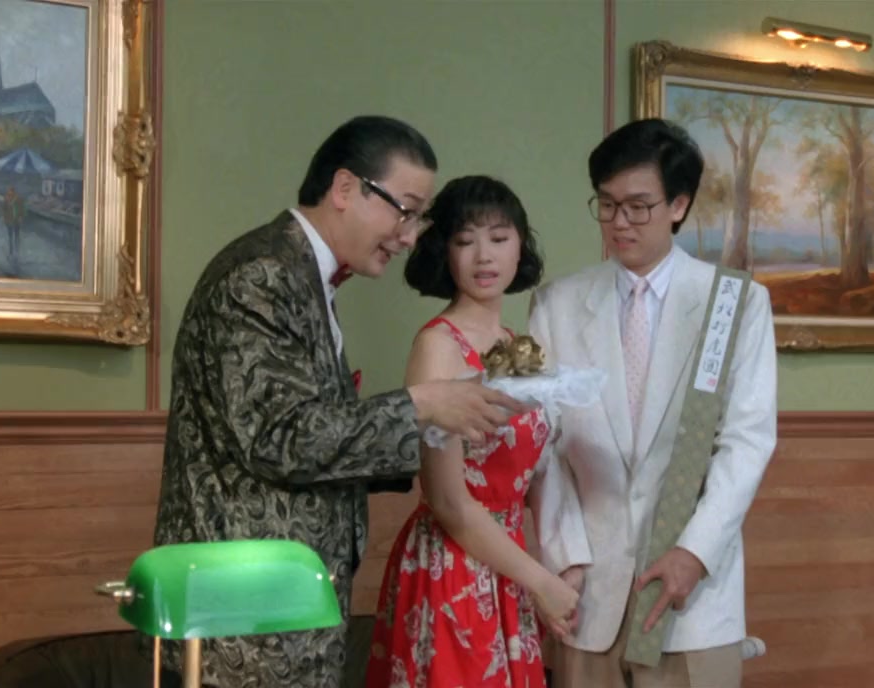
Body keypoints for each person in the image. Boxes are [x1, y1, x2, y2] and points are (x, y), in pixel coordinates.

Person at [152, 117, 529, 688]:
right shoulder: (262, 276)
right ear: (346, 188)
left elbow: (315, 437)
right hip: (245, 622)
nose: (409, 236)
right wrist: (419, 406)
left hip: (286, 610)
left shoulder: (305, 277)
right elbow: (280, 438)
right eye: (405, 211)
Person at [527, 118, 778, 687]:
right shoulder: (556, 306)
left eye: (639, 206)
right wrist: (563, 555)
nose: (619, 222)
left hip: (690, 597)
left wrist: (696, 552)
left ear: (679, 205)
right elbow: (544, 447)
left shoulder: (734, 303)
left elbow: (746, 440)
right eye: (607, 204)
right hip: (586, 595)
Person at [364, 175, 580, 688]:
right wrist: (540, 580)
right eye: (465, 241)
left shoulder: (518, 344)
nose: (484, 256)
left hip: (509, 561)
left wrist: (550, 568)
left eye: (499, 238)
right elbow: (447, 501)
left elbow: (537, 471)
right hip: (452, 565)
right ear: (445, 251)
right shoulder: (438, 346)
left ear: (520, 247)